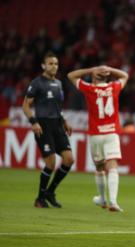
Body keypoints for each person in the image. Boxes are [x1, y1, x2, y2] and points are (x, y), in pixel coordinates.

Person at [67, 65, 129, 212]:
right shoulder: (114, 87)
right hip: (111, 132)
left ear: (94, 77)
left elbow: (71, 75)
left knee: (99, 167)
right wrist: (108, 68)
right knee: (112, 166)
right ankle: (113, 201)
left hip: (96, 134)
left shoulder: (89, 88)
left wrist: (92, 69)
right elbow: (125, 75)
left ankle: (102, 198)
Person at [22, 52, 75, 208]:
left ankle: (50, 192)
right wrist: (34, 122)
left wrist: (64, 120)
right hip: (43, 126)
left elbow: (58, 107)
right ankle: (39, 199)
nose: (54, 66)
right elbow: (25, 105)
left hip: (57, 125)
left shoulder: (59, 84)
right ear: (43, 66)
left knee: (69, 159)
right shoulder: (37, 83)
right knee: (51, 163)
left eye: (56, 64)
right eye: (51, 63)